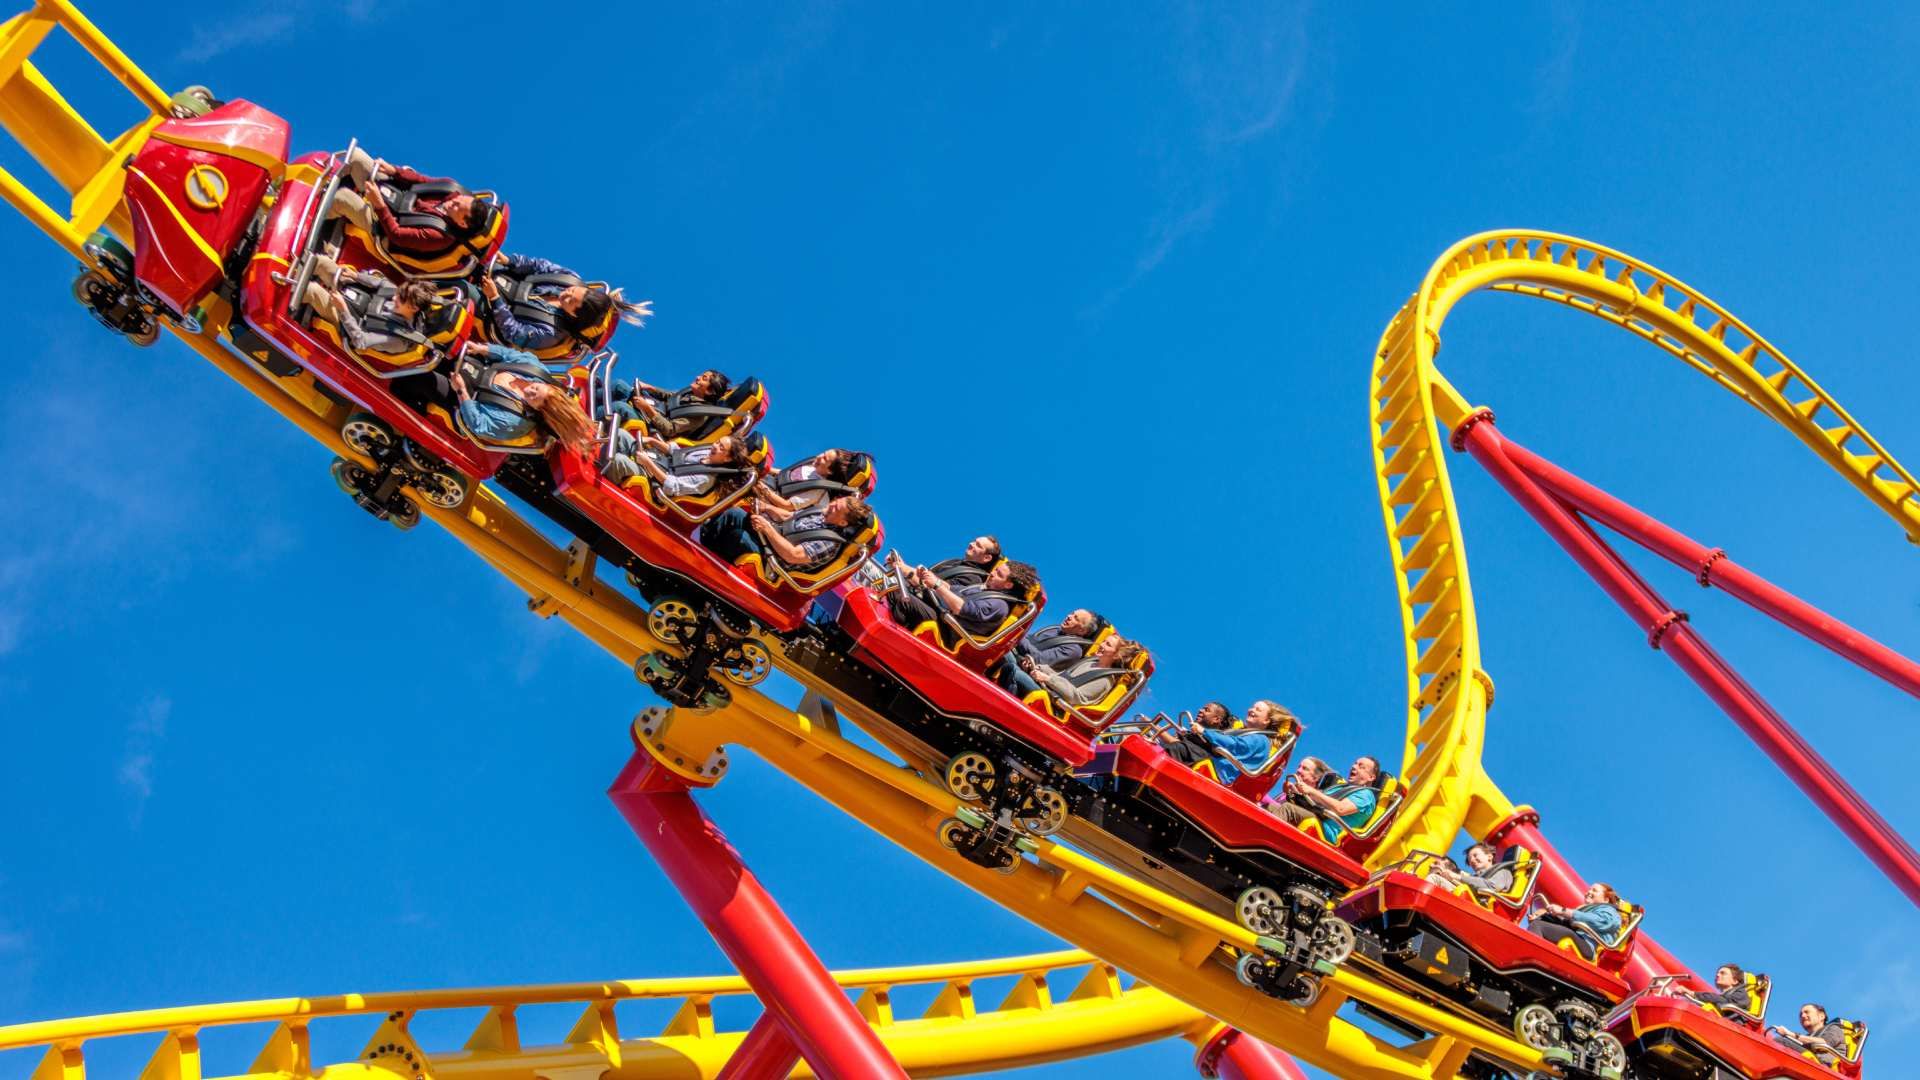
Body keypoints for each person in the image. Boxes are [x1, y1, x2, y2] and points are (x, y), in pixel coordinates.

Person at [325, 149, 500, 274]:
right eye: (460, 199)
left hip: (384, 228)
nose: (454, 201)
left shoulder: (440, 236)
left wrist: (379, 205)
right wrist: (394, 170)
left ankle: (323, 212)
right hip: (394, 195)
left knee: (343, 198)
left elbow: (396, 235)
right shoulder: (452, 190)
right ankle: (326, 179)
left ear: (462, 222)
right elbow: (422, 180)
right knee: (356, 156)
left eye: (457, 207)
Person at [479, 252, 650, 358]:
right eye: (572, 291)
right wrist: (509, 260)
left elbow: (514, 333)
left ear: (574, 314)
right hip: (501, 281)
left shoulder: (553, 333)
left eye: (570, 301)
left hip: (493, 316)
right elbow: (540, 266)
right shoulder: (568, 279)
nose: (566, 294)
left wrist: (494, 298)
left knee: (468, 292)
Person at [449, 342, 595, 453]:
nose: (529, 390)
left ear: (538, 411)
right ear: (548, 385)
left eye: (533, 398)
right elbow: (511, 355)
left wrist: (461, 391)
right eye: (536, 388)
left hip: (461, 397)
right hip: (477, 364)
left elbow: (478, 424)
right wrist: (482, 349)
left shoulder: (515, 422)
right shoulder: (536, 371)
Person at [298, 255, 440, 364]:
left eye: (400, 299)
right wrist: (356, 276)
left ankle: (287, 284)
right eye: (398, 292)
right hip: (356, 295)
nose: (394, 298)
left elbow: (361, 341)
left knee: (312, 290)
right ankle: (294, 264)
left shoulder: (397, 339)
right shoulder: (404, 295)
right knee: (321, 261)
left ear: (414, 308)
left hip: (349, 323)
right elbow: (382, 283)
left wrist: (343, 310)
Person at [700, 494, 874, 576]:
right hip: (767, 540)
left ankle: (703, 566)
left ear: (843, 523)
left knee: (738, 537)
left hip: (773, 561)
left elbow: (793, 555)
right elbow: (790, 517)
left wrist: (767, 528)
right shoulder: (823, 514)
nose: (832, 504)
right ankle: (700, 543)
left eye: (837, 508)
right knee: (735, 513)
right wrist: (766, 507)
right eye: (836, 501)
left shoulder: (829, 543)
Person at [888, 559, 1038, 639]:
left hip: (946, 630)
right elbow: (948, 589)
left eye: (999, 574)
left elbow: (961, 608)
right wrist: (906, 568)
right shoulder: (981, 588)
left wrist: (937, 584)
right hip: (940, 616)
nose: (992, 573)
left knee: (901, 596)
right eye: (996, 570)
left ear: (1008, 584)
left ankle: (888, 636)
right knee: (900, 587)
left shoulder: (999, 605)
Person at [604, 432, 751, 503]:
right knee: (621, 434)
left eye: (721, 448)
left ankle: (599, 478)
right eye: (718, 442)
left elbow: (671, 485)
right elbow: (675, 451)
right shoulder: (706, 451)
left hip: (654, 481)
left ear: (727, 458)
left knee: (619, 461)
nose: (715, 446)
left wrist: (647, 462)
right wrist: (652, 441)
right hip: (657, 461)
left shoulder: (705, 479)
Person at [1020, 633, 1145, 710]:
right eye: (1103, 641)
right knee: (1012, 661)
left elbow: (1077, 697)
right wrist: (1038, 667)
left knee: (1013, 670)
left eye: (1108, 645)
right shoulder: (1090, 662)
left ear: (1116, 655)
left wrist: (1047, 679)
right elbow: (1061, 676)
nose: (1101, 645)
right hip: (1048, 690)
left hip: (1055, 704)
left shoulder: (1105, 680)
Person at [1273, 755, 1384, 841]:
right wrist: (1292, 792)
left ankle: (1268, 836)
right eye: (1355, 763)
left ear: (1371, 777)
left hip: (1326, 830)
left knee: (1288, 809)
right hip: (1318, 816)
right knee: (1271, 807)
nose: (1354, 767)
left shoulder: (1366, 795)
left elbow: (1341, 809)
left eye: (1361, 766)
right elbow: (1313, 799)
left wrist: (1312, 791)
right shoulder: (1341, 787)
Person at [995, 608, 1104, 695]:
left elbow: (1038, 658)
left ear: (1082, 630)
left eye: (1075, 618)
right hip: (1017, 656)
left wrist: (1018, 633)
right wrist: (1020, 636)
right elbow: (1029, 639)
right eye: (1071, 613)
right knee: (997, 640)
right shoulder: (1055, 629)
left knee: (1000, 649)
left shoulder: (1073, 650)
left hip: (1031, 674)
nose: (1069, 616)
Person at [1193, 699, 1295, 784]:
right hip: (1218, 766)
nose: (1251, 710)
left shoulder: (1260, 739)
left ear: (1266, 721)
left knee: (1181, 749)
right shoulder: (1250, 734)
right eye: (1252, 707)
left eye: (1258, 709)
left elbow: (1235, 745)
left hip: (1222, 774)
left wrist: (1204, 731)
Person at [1526, 882, 1624, 961]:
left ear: (1606, 899)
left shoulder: (1611, 912)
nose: (1589, 892)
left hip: (1588, 945)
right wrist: (1544, 915)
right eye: (1589, 889)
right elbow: (1568, 924)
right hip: (1578, 937)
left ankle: (1531, 956)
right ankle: (1537, 955)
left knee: (1539, 926)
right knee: (1540, 922)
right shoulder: (1585, 910)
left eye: (1594, 890)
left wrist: (1564, 911)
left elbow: (1600, 922)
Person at [609, 369, 731, 431]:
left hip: (653, 426)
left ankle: (594, 421)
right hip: (652, 408)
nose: (697, 377)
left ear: (710, 391)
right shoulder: (691, 392)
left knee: (620, 407)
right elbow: (671, 396)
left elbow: (670, 429)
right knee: (619, 385)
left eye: (703, 378)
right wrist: (650, 388)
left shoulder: (698, 414)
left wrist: (647, 408)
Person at [757, 449, 870, 513]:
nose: (820, 456)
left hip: (772, 504)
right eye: (824, 453)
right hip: (769, 485)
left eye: (825, 459)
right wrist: (763, 468)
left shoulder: (818, 489)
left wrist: (760, 486)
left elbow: (787, 506)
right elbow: (785, 474)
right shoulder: (812, 465)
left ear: (830, 471)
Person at [1153, 702, 1235, 765]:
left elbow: (1178, 746)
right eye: (1202, 708)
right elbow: (1176, 743)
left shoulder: (1212, 740)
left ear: (1216, 719)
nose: (1200, 710)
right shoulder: (1194, 735)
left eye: (1206, 710)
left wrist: (1154, 727)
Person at [1771, 1003, 1849, 1064]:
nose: (1803, 1016)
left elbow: (1824, 1043)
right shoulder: (1807, 1037)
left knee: (1781, 1041)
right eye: (1800, 1014)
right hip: (1811, 1061)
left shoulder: (1834, 1029)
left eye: (1807, 1012)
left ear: (1821, 1016)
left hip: (1824, 1066)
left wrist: (1789, 1034)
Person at [1429, 842, 1515, 896]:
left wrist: (1458, 877)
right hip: (1470, 900)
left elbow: (1492, 887)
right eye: (1470, 860)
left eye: (1475, 855)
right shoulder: (1478, 877)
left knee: (1435, 879)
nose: (1472, 860)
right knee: (1438, 877)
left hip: (1481, 906)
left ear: (1489, 856)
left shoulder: (1502, 871)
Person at [1677, 964, 1755, 1017]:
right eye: (1717, 973)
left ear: (1735, 981)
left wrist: (1692, 993)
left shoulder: (1741, 994)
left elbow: (1723, 1001)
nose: (1717, 975)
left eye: (1723, 973)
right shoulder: (1725, 996)